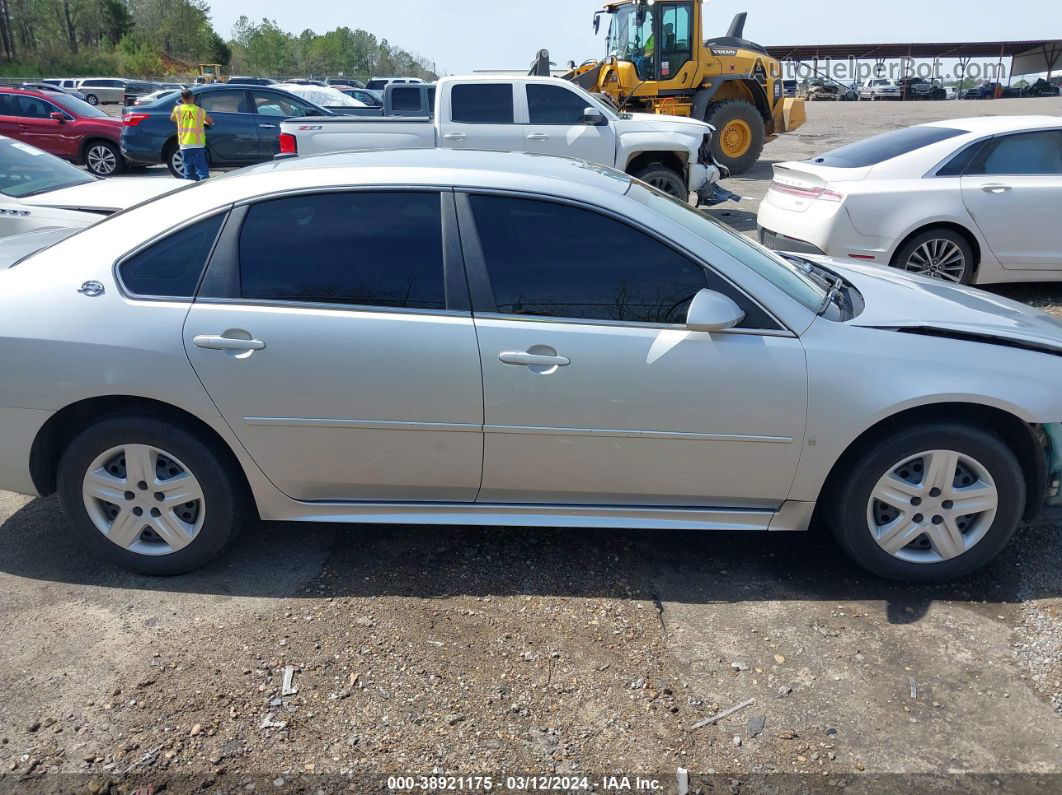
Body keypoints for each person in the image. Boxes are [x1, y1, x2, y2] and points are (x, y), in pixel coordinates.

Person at [170, 89, 212, 181]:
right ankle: (206, 189)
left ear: (182, 99)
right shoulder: (199, 111)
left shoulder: (178, 109)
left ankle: (189, 190)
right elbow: (210, 121)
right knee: (202, 171)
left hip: (184, 145)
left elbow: (172, 118)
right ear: (193, 98)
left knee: (188, 171)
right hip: (198, 144)